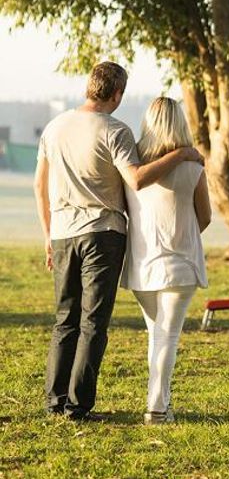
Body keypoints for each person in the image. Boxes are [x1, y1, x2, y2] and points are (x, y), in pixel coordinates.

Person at [34, 62, 202, 421]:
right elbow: (137, 179)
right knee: (93, 322)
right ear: (117, 93)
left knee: (65, 318)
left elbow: (39, 185)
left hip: (62, 232)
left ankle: (55, 401)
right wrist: (182, 154)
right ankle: (78, 406)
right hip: (102, 232)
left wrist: (48, 234)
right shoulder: (115, 130)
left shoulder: (54, 127)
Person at [121, 97, 211, 425]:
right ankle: (157, 408)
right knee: (167, 336)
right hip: (180, 265)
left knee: (157, 334)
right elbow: (206, 217)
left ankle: (161, 403)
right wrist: (183, 231)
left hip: (143, 265)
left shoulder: (132, 169)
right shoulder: (194, 168)